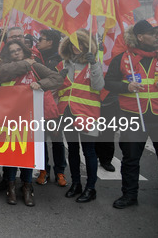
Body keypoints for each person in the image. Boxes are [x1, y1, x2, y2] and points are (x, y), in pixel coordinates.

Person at [104, 20, 158, 210]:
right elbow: (109, 83)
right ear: (140, 37)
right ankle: (129, 195)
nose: (157, 36)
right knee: (130, 159)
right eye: (152, 33)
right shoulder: (123, 59)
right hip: (133, 117)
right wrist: (126, 86)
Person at [0, 40, 63, 206]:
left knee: (28, 154)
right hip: (11, 119)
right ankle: (11, 186)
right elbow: (4, 72)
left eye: (19, 50)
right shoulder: (5, 67)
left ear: (24, 51)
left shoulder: (35, 65)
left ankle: (27, 187)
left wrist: (40, 84)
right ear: (8, 54)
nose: (16, 53)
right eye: (12, 51)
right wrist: (25, 63)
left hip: (32, 119)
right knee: (12, 153)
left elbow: (57, 78)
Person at [58, 30, 104, 203]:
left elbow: (99, 86)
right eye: (73, 44)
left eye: (81, 44)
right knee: (73, 150)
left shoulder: (93, 63)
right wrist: (58, 77)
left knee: (89, 151)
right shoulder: (65, 63)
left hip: (88, 114)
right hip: (68, 112)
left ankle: (90, 187)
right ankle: (76, 183)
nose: (77, 47)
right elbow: (59, 87)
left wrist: (95, 66)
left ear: (86, 45)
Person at [35, 29, 67, 187]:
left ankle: (60, 171)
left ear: (51, 42)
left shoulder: (61, 59)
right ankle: (43, 170)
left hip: (54, 107)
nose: (38, 41)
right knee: (40, 141)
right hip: (37, 105)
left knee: (57, 140)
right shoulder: (35, 57)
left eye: (41, 39)